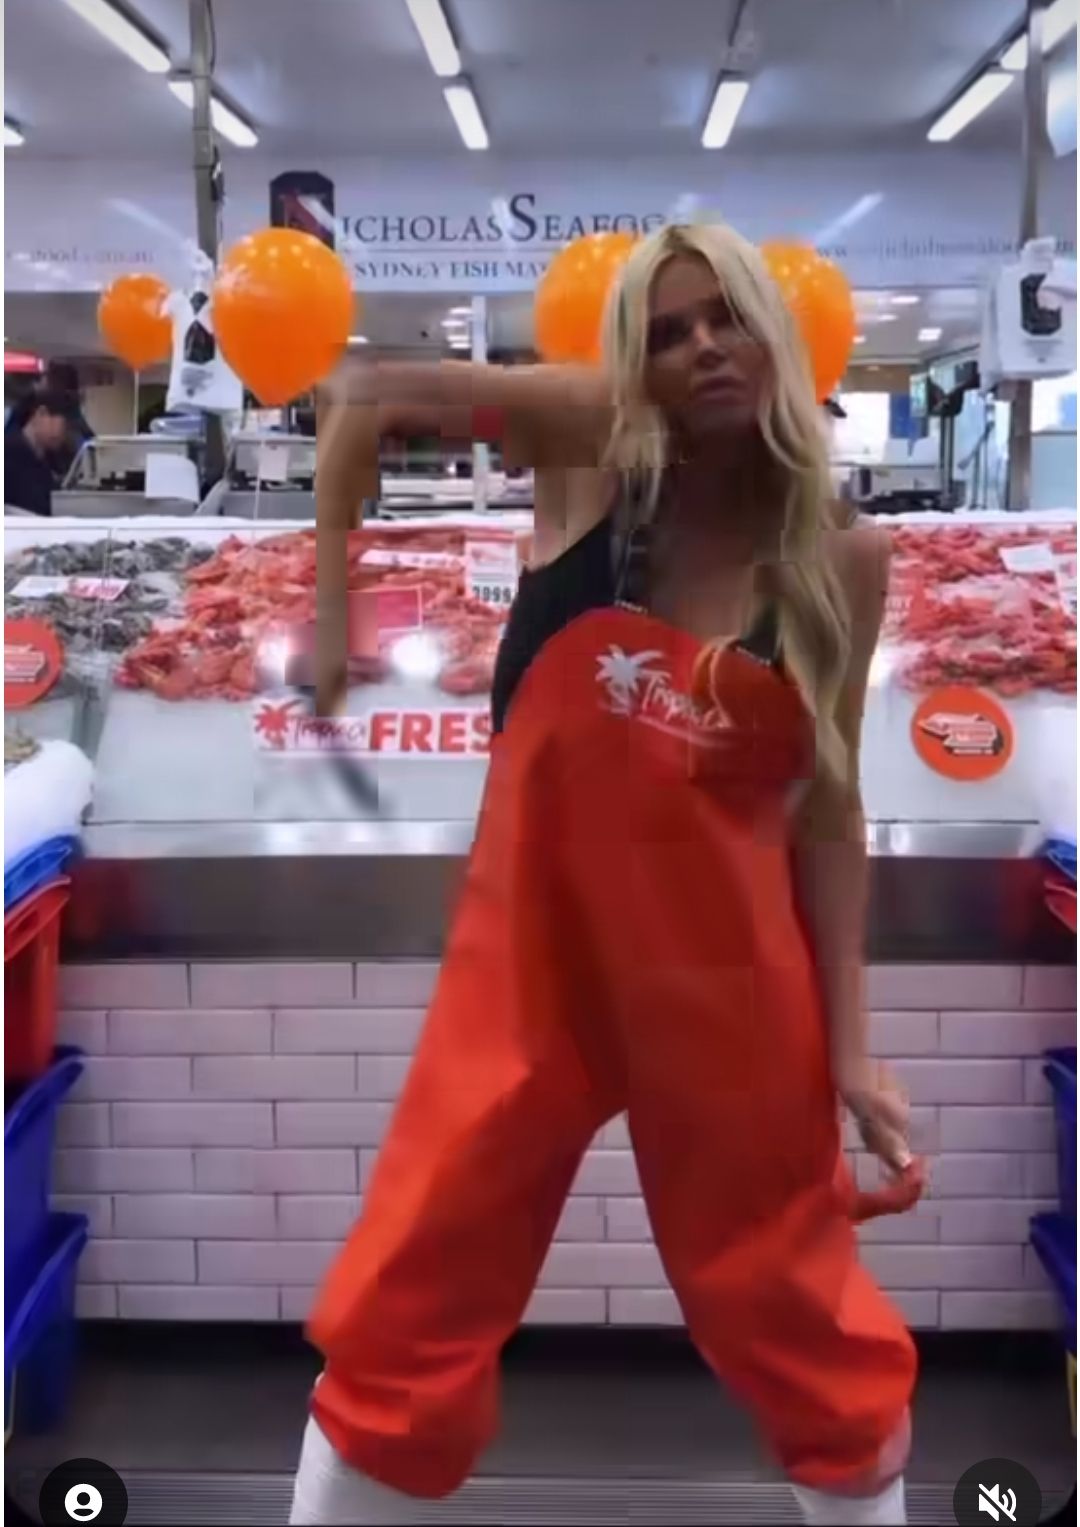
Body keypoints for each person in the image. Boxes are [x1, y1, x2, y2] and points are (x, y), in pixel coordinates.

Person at [293, 221, 920, 1527]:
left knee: (798, 1309)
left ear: (777, 334)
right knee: (415, 1288)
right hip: (534, 961)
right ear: (634, 359)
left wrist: (853, 1051)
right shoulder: (591, 452)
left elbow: (829, 808)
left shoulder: (842, 558)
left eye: (727, 317)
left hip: (728, 969)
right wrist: (333, 626)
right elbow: (362, 397)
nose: (705, 349)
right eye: (668, 331)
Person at [3, 389, 73, 515]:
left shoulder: (50, 460)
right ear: (42, 414)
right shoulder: (8, 455)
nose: (65, 433)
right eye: (64, 424)